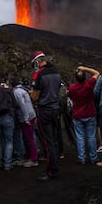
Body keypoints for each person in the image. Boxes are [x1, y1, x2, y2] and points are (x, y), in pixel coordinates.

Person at [29, 51, 61, 181]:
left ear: (37, 62)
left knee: (48, 143)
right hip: (55, 109)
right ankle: (55, 165)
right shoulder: (56, 72)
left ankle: (51, 171)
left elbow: (36, 96)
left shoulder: (40, 75)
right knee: (54, 139)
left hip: (45, 111)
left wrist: (32, 93)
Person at [68, 66, 100, 165]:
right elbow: (97, 73)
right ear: (85, 77)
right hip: (90, 113)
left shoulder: (72, 88)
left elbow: (69, 95)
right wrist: (84, 68)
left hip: (78, 115)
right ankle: (93, 157)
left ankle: (81, 158)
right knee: (91, 136)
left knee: (80, 137)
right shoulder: (89, 85)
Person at [11, 76, 38, 167]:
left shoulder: (16, 92)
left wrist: (26, 118)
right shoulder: (22, 90)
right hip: (30, 114)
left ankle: (33, 159)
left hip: (26, 117)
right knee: (28, 138)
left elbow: (22, 105)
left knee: (29, 138)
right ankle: (30, 155)